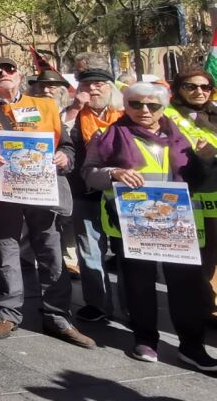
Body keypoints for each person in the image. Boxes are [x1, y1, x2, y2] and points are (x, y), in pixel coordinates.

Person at [0, 57, 94, 349]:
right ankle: (8, 312)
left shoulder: (45, 106)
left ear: (19, 75)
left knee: (49, 249)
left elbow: (66, 145)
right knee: (5, 249)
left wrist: (64, 158)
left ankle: (58, 315)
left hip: (41, 191)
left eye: (9, 70)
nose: (3, 74)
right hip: (0, 193)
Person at [82, 82, 217, 370]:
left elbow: (198, 177)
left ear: (163, 107)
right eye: (136, 104)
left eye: (152, 106)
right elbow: (89, 173)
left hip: (176, 222)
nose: (144, 110)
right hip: (132, 223)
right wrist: (114, 172)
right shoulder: (109, 135)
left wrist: (205, 159)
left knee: (186, 285)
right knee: (138, 284)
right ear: (126, 106)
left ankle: (191, 346)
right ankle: (145, 339)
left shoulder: (180, 136)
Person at [160, 67, 217, 319]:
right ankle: (202, 308)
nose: (199, 92)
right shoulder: (166, 115)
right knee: (197, 257)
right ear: (178, 89)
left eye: (205, 87)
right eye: (191, 86)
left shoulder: (214, 113)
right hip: (189, 195)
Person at [66, 67, 122, 324]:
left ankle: (134, 304)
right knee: (90, 249)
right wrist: (75, 109)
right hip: (84, 190)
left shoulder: (124, 115)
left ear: (112, 88)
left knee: (126, 252)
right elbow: (59, 135)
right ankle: (98, 303)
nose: (94, 90)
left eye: (100, 84)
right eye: (87, 85)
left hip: (124, 193)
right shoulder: (74, 115)